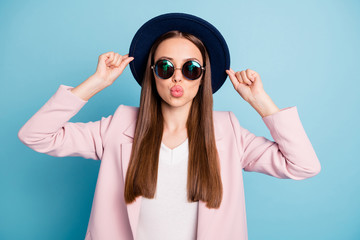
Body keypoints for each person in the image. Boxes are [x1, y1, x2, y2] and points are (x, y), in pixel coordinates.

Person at [18, 13, 321, 240]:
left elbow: (303, 166)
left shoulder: (228, 132)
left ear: (203, 77)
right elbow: (35, 135)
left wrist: (260, 101)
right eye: (165, 67)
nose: (177, 78)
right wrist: (95, 83)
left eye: (190, 69)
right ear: (153, 75)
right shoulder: (118, 127)